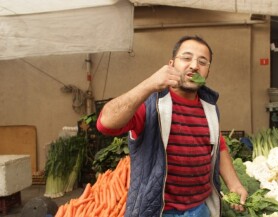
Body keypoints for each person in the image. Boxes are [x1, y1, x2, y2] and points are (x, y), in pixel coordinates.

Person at [97, 35, 248, 217]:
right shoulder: (151, 105)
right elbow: (105, 123)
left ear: (208, 71)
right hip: (158, 211)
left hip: (200, 209)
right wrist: (149, 84)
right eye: (186, 58)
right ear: (171, 65)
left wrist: (234, 184)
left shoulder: (210, 107)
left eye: (203, 62)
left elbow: (218, 145)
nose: (194, 66)